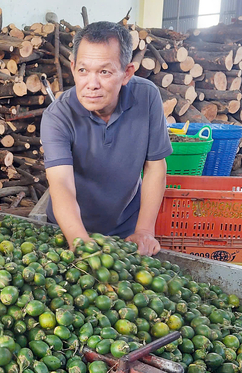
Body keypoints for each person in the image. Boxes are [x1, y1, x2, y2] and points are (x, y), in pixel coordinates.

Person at [40, 21, 172, 256]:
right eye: (83, 71)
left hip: (125, 233)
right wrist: (80, 243)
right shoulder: (58, 116)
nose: (92, 84)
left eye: (104, 72)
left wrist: (144, 230)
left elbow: (155, 167)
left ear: (127, 73)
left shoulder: (147, 97)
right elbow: (61, 184)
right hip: (67, 233)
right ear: (72, 68)